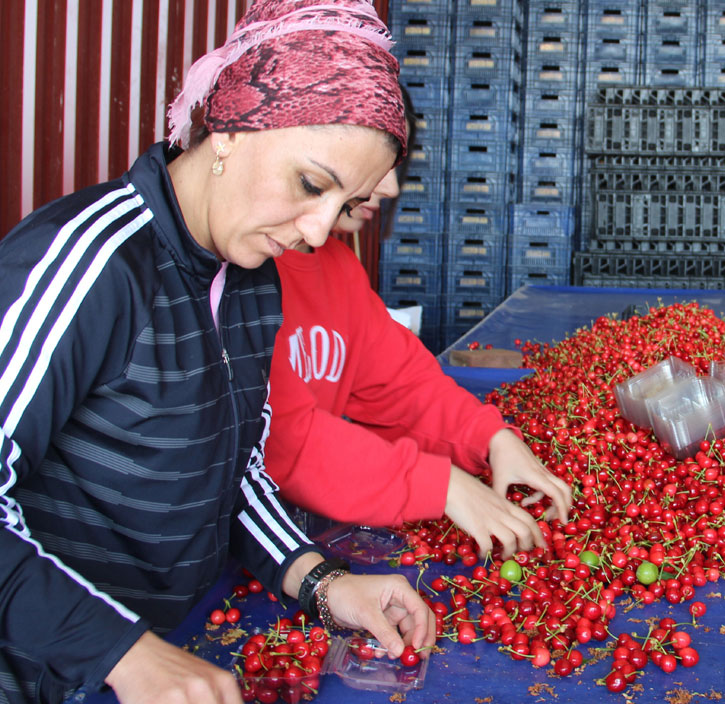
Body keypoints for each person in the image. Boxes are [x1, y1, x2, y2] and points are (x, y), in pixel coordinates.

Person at [0, 2, 437, 702]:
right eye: (310, 184)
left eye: (346, 202)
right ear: (231, 129)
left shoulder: (249, 283)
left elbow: (236, 472)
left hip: (159, 652)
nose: (320, 230)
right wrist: (119, 653)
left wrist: (322, 582)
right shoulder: (92, 266)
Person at [264, 89, 573, 558]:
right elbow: (280, 438)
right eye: (379, 165)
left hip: (285, 540)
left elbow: (401, 385)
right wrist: (441, 485)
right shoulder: (242, 269)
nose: (389, 189)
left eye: (395, 164)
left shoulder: (340, 269)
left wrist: (491, 438)